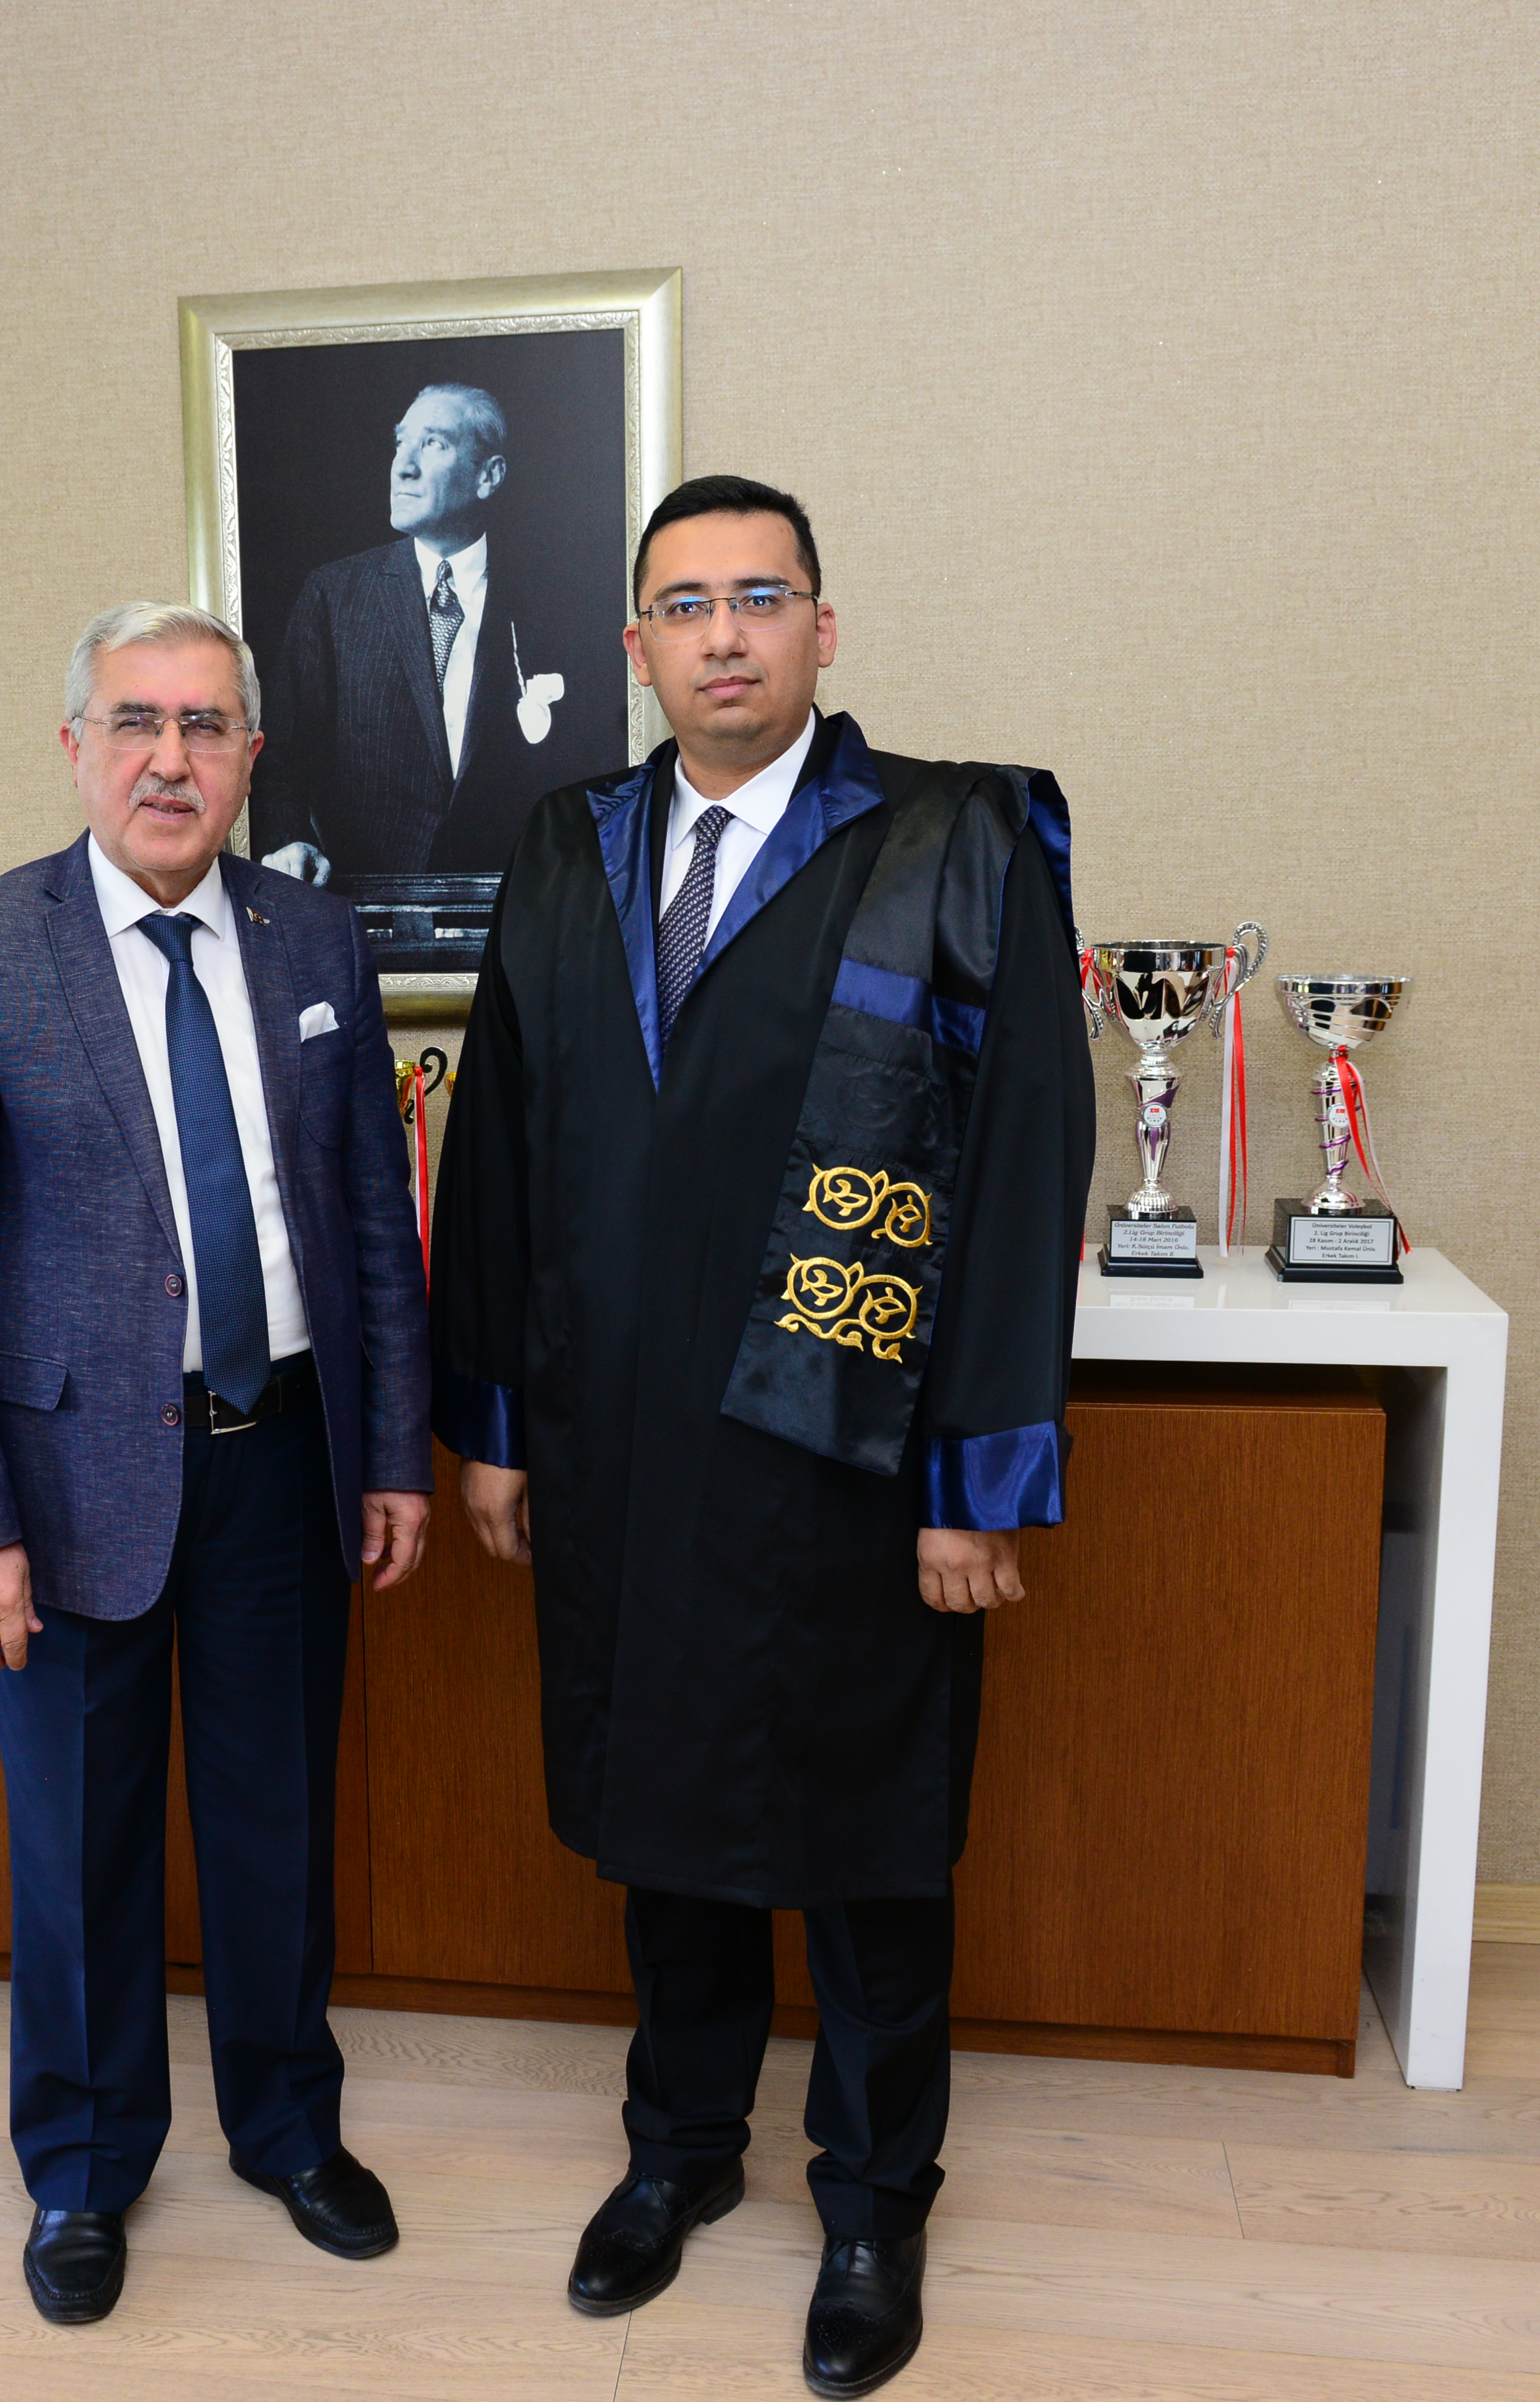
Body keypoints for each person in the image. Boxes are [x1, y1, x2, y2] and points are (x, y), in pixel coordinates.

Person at [427, 476, 1092, 2398]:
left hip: (849, 1449)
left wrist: (974, 1476)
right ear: (635, 642)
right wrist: (495, 1421)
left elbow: (1022, 1159)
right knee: (670, 1817)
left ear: (822, 627)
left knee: (869, 1839)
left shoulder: (950, 840)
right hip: (623, 1440)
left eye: (761, 597)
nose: (723, 634)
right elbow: (502, 1147)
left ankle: (873, 2203)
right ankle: (680, 2148)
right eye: (684, 603)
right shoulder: (566, 843)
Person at [0, 600, 435, 2327]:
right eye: (136, 722)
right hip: (65, 1493)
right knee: (80, 1850)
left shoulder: (314, 938)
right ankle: (84, 2165)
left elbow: (371, 1219)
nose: (170, 759)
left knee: (276, 1829)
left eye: (205, 725)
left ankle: (287, 2130)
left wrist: (393, 1451)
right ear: (76, 749)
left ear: (253, 754)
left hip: (284, 1461)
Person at [250, 379, 619, 881]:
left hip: (517, 901)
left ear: (489, 476)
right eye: (401, 442)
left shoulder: (557, 602)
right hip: (366, 904)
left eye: (433, 443)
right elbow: (280, 758)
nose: (403, 466)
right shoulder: (335, 596)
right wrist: (292, 841)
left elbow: (593, 761)